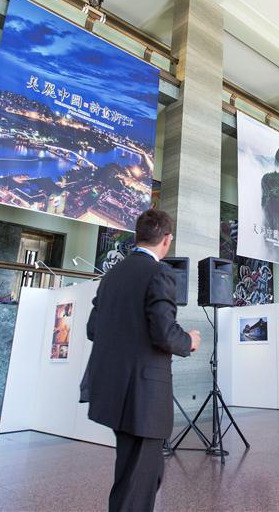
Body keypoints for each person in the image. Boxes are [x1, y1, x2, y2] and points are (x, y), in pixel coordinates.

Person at [80, 209, 202, 512]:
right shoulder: (160, 273)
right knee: (140, 482)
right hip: (144, 397)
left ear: (138, 236)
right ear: (167, 240)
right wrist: (190, 341)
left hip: (112, 390)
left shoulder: (111, 276)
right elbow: (164, 333)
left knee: (134, 474)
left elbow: (93, 329)